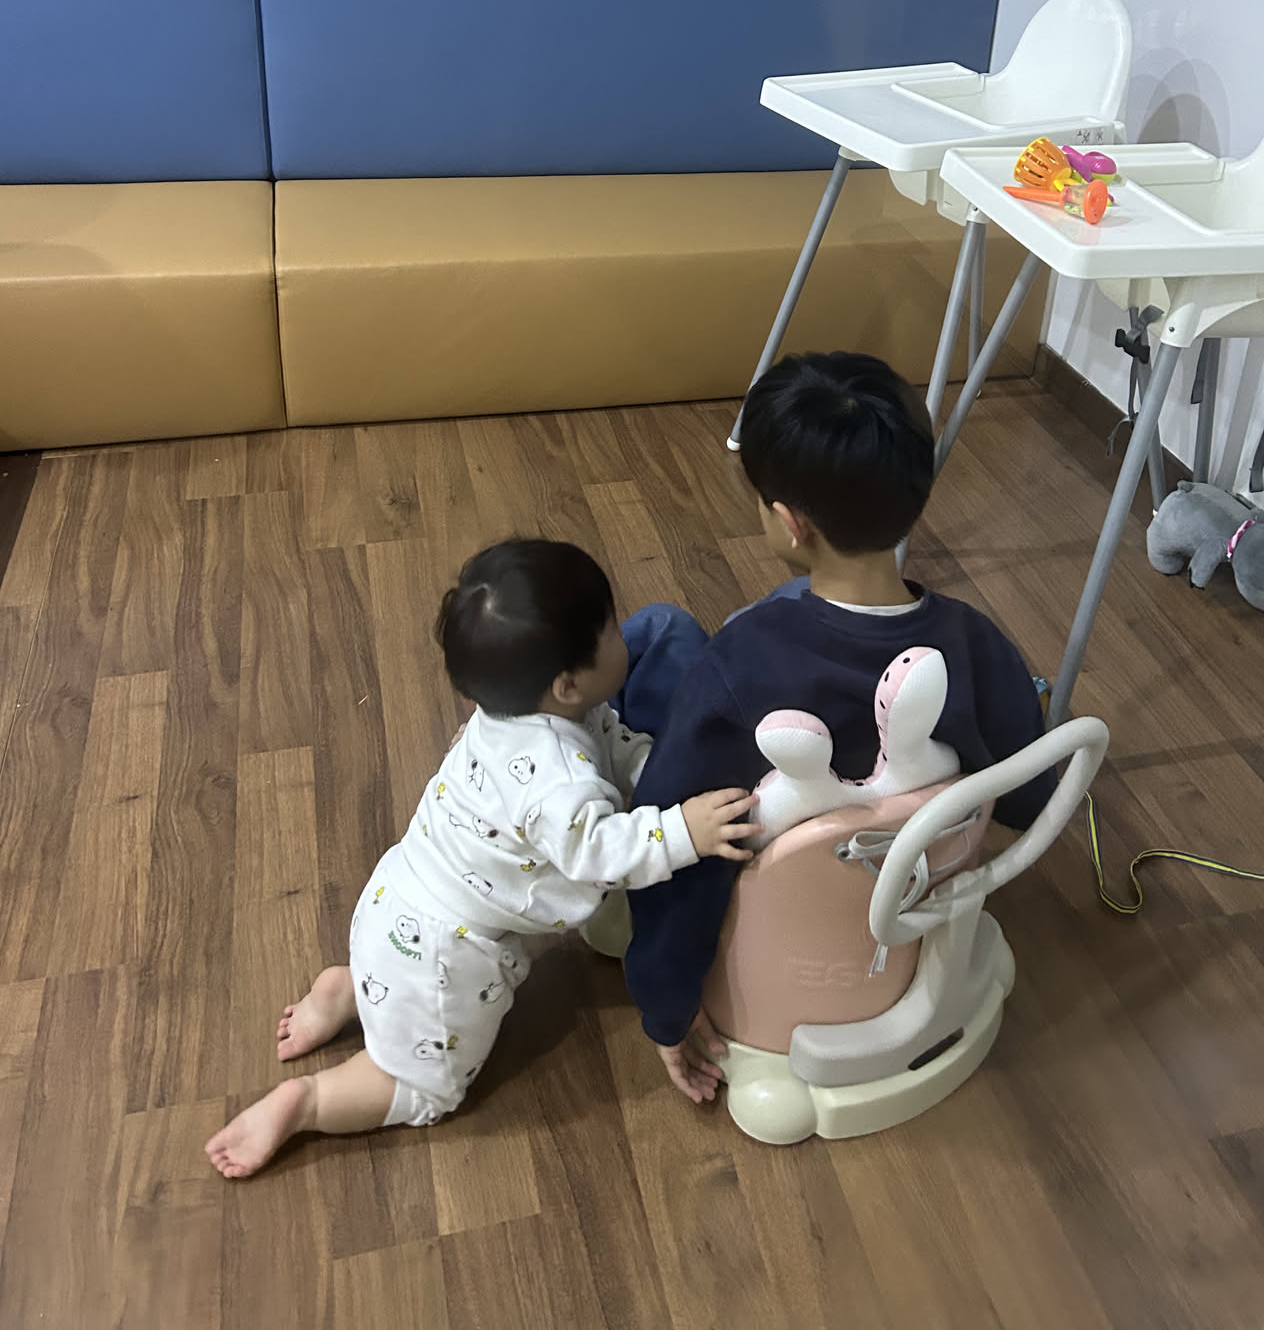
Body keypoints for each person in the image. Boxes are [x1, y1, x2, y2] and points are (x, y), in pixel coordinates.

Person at [205, 540, 758, 1178]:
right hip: (446, 954)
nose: (624, 631)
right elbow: (597, 854)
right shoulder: (553, 783)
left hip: (403, 893)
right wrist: (682, 830)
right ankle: (308, 1101)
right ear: (568, 682)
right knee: (428, 1091)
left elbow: (612, 744)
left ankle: (351, 987)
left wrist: (658, 769)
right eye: (611, 626)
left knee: (396, 983)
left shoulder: (519, 711)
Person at [620, 350, 1056, 1103]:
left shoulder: (739, 666)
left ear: (789, 523)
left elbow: (671, 852)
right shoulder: (977, 646)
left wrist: (665, 1005)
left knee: (664, 644)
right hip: (914, 913)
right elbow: (1025, 797)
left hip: (772, 972)